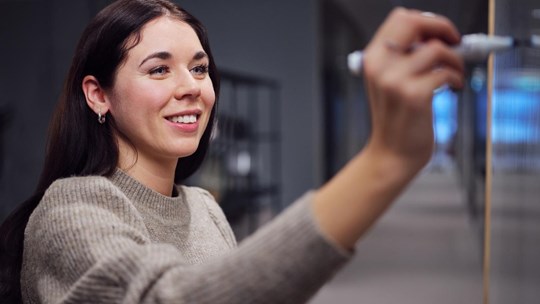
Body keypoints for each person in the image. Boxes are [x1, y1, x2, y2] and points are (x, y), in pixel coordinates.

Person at [0, 0, 464, 303]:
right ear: (98, 95)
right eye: (159, 70)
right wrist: (385, 161)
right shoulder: (70, 210)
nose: (191, 88)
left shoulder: (203, 207)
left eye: (199, 69)